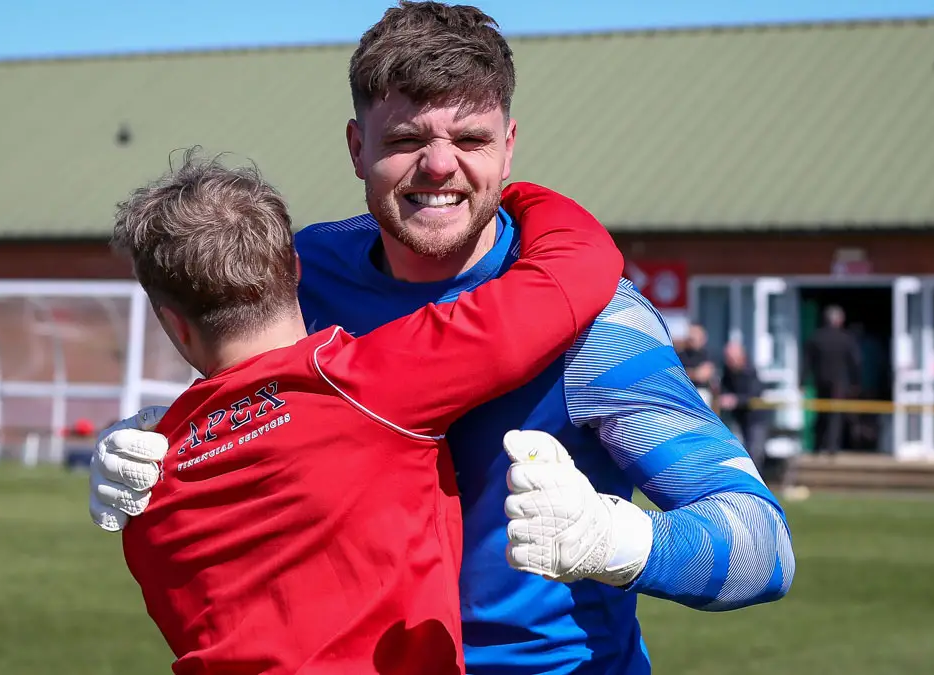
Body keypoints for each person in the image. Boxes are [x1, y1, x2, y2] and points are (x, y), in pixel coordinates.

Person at [90, 3, 795, 673]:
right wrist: (159, 446)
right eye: (405, 140)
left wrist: (619, 540)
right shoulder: (306, 275)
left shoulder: (598, 321)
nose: (438, 166)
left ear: (509, 148)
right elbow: (253, 406)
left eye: (470, 139)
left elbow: (763, 545)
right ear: (356, 146)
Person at [106, 153, 624, 674]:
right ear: (297, 270)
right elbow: (579, 263)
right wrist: (505, 195)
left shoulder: (143, 487)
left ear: (172, 322)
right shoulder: (372, 382)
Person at [804, 304, 862, 456]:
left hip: (820, 381)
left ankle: (816, 446)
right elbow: (855, 362)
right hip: (839, 383)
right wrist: (856, 383)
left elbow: (807, 362)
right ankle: (832, 447)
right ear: (840, 321)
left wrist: (802, 381)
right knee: (835, 415)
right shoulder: (846, 339)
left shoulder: (815, 337)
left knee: (821, 413)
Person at [718, 341, 769, 472]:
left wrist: (736, 400)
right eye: (728, 359)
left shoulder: (750, 372)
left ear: (742, 357)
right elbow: (723, 390)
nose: (730, 362)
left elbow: (755, 394)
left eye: (732, 358)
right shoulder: (727, 372)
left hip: (755, 418)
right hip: (738, 417)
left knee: (755, 453)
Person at [677, 324, 718, 407]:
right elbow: (678, 374)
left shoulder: (708, 355)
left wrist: (690, 373)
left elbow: (704, 375)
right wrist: (695, 373)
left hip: (701, 392)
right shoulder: (680, 355)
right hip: (684, 390)